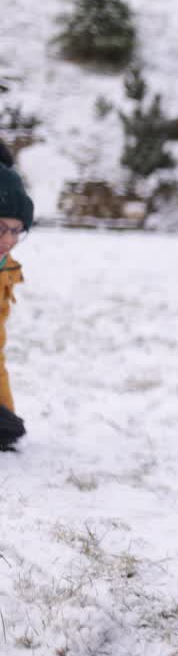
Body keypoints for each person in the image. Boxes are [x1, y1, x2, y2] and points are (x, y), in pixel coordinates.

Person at [0, 142, 32, 451]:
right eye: (0, 229)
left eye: (16, 230)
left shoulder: (3, 269)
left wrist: (5, 411)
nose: (9, 240)